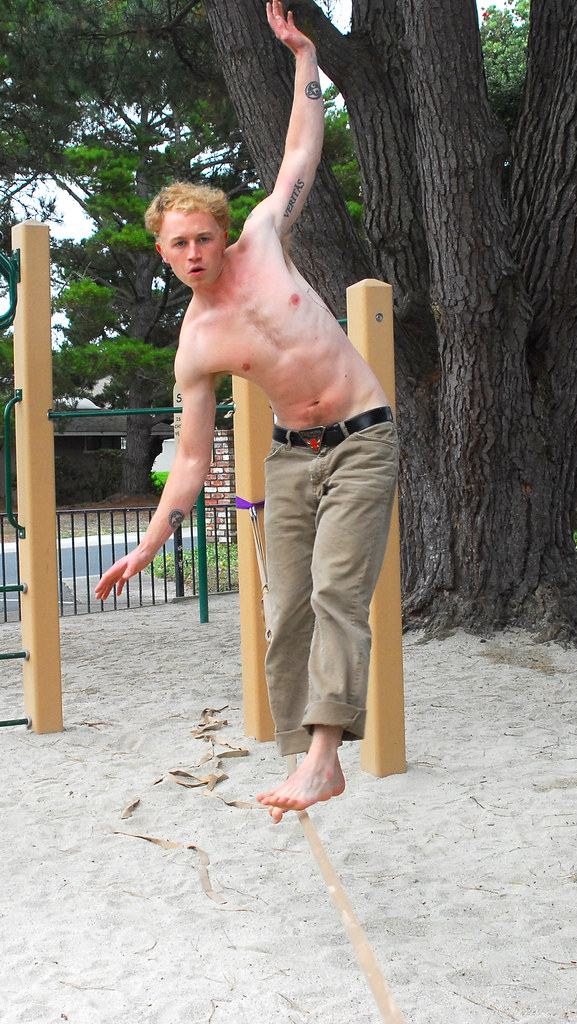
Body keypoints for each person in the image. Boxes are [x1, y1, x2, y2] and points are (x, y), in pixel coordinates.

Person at [95, 0, 398, 824]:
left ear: (222, 233)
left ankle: (328, 757)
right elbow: (191, 459)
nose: (194, 253)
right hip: (291, 455)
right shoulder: (197, 343)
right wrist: (149, 542)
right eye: (176, 244)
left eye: (202, 237)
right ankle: (300, 759)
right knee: (285, 607)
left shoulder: (265, 237)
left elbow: (303, 149)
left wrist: (303, 56)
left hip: (363, 437)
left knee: (338, 591)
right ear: (161, 252)